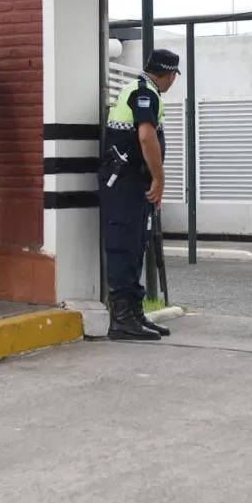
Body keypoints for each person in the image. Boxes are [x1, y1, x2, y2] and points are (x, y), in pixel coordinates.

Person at [100, 48, 179, 340]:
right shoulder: (144, 92)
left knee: (135, 247)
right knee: (123, 248)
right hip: (123, 184)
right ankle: (121, 319)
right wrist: (159, 178)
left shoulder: (141, 90)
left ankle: (134, 314)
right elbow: (146, 136)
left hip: (133, 184)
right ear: (170, 75)